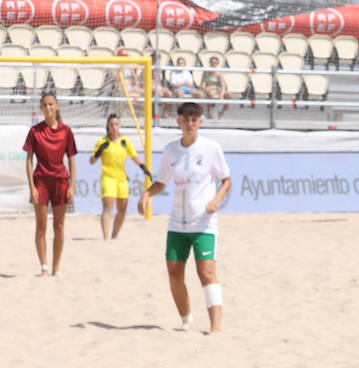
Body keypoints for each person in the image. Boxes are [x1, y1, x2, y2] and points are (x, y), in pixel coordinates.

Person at [139, 102, 232, 333]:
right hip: (177, 223)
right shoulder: (171, 150)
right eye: (186, 120)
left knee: (206, 272)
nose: (190, 124)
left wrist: (215, 201)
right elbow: (161, 182)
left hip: (204, 223)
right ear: (178, 122)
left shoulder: (211, 148)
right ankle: (186, 318)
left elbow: (227, 180)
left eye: (194, 120)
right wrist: (146, 194)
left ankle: (216, 328)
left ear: (200, 122)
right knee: (174, 272)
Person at [23, 93, 76, 278]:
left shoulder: (66, 131)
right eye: (45, 105)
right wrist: (32, 187)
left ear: (57, 106)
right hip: (41, 181)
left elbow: (71, 159)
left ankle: (56, 268)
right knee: (42, 225)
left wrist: (72, 185)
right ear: (41, 108)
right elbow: (29, 161)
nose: (48, 107)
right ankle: (44, 267)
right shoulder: (35, 131)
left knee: (59, 226)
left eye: (51, 104)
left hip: (61, 180)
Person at [89, 113, 152, 241]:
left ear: (120, 126)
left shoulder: (125, 142)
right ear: (107, 126)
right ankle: (106, 237)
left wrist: (144, 167)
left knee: (122, 208)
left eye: (116, 124)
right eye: (111, 124)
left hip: (122, 178)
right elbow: (92, 161)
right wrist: (99, 151)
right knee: (108, 206)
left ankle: (114, 235)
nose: (114, 127)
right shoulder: (102, 142)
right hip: (108, 177)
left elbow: (134, 156)